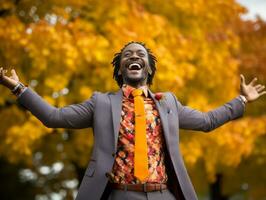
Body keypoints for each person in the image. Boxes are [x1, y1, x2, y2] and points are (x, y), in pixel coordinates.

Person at [0, 41, 265, 200]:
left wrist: (240, 101)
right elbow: (53, 117)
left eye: (140, 54)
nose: (134, 56)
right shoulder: (101, 103)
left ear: (149, 68)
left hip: (164, 194)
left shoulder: (168, 103)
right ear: (120, 70)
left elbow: (207, 121)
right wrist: (18, 88)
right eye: (128, 55)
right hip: (121, 193)